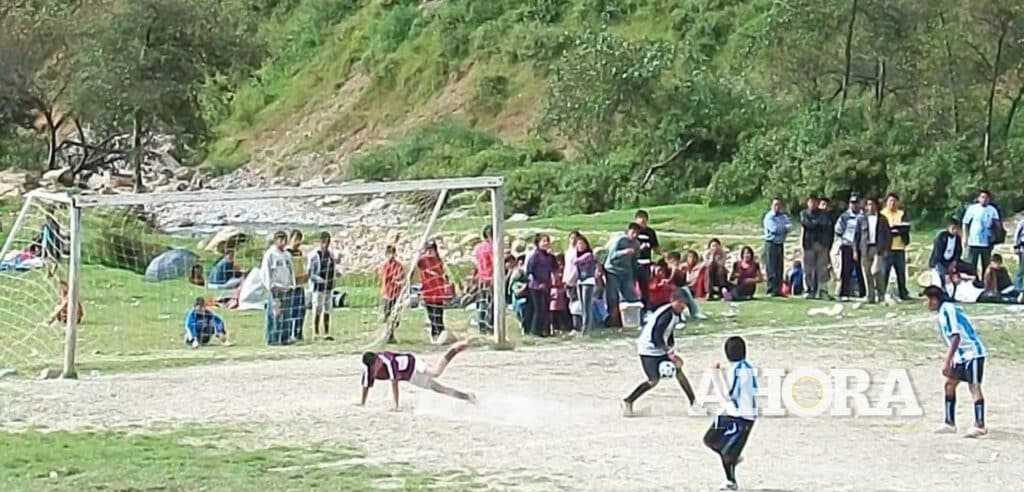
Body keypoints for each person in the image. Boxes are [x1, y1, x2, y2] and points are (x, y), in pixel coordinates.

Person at [923, 286, 988, 438]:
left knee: (974, 387)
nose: (925, 304)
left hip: (972, 353)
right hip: (960, 355)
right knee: (949, 384)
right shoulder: (942, 312)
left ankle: (980, 424)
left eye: (926, 300)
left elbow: (956, 336)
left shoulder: (948, 309)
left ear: (934, 299)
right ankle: (949, 422)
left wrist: (947, 360)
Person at [621, 289, 696, 417]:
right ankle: (628, 400)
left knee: (679, 370)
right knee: (653, 380)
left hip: (659, 348)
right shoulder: (666, 314)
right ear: (673, 301)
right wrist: (668, 352)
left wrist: (671, 349)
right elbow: (656, 336)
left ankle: (693, 403)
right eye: (680, 303)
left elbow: (668, 332)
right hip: (648, 349)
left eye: (684, 303)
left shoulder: (676, 314)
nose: (683, 306)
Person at [704, 336, 758, 491]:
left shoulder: (739, 370)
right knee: (710, 439)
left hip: (742, 418)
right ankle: (733, 456)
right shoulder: (742, 367)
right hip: (733, 414)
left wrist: (715, 375)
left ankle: (731, 481)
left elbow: (728, 395)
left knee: (726, 454)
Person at [358, 340, 477, 410]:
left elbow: (394, 382)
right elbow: (366, 386)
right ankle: (468, 397)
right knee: (440, 389)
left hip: (414, 363)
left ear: (377, 359)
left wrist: (395, 405)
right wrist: (363, 402)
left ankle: (454, 350)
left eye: (377, 363)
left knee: (435, 372)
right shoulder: (368, 368)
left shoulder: (388, 360)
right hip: (410, 376)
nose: (377, 367)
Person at [260, 231, 295, 346]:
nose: (283, 242)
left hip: (286, 288)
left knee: (285, 314)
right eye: (280, 239)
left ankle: (284, 337)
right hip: (275, 289)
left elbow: (291, 271)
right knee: (275, 314)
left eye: (284, 239)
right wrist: (270, 285)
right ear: (275, 240)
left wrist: (292, 284)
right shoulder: (270, 254)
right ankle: (273, 338)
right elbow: (265, 271)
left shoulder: (287, 255)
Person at [604, 224, 642, 325]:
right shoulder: (620, 241)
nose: (634, 235)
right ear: (628, 231)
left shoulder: (636, 244)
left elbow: (635, 261)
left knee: (631, 296)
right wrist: (624, 252)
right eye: (633, 232)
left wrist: (634, 276)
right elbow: (612, 256)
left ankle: (633, 319)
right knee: (613, 296)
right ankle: (612, 319)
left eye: (637, 233)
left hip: (626, 272)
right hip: (613, 270)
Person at [834, 194, 867, 301]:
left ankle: (863, 293)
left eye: (856, 203)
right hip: (847, 245)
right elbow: (838, 229)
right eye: (852, 203)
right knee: (845, 270)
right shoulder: (844, 216)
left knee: (860, 270)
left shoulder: (863, 216)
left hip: (860, 245)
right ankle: (844, 293)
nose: (854, 205)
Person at [417, 240, 452, 341]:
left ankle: (440, 334)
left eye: (432, 249)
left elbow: (442, 273)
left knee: (439, 315)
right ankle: (435, 335)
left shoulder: (438, 260)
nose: (430, 252)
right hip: (427, 292)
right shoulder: (423, 261)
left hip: (437, 293)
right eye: (428, 249)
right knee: (431, 316)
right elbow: (417, 263)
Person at [961, 189, 1002, 277]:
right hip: (974, 241)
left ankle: (985, 282)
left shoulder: (992, 210)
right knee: (972, 265)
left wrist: (997, 235)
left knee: (986, 265)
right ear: (979, 198)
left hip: (987, 242)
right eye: (982, 197)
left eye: (986, 197)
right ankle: (973, 281)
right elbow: (965, 223)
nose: (984, 199)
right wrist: (965, 237)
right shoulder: (972, 208)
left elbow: (997, 224)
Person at [800, 195, 832, 299]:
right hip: (808, 244)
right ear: (807, 203)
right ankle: (808, 290)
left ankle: (822, 290)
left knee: (822, 269)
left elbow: (825, 224)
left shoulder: (824, 214)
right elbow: (807, 224)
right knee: (808, 269)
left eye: (815, 202)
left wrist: (814, 224)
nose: (812, 204)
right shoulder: (804, 213)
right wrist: (816, 224)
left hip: (821, 244)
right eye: (811, 202)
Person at [308, 232, 337, 341]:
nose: (326, 245)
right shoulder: (314, 255)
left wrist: (333, 279)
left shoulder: (330, 256)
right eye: (324, 242)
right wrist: (319, 280)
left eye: (328, 242)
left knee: (327, 309)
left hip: (328, 287)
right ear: (320, 242)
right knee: (317, 309)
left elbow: (333, 269)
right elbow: (311, 273)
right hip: (318, 287)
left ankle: (326, 332)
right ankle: (315, 332)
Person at [881, 193, 911, 300]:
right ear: (886, 202)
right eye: (890, 201)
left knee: (901, 273)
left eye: (894, 201)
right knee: (885, 272)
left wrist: (896, 230)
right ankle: (882, 293)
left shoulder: (901, 214)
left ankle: (903, 293)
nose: (892, 203)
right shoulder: (882, 214)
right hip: (887, 248)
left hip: (900, 247)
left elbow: (906, 227)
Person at [525, 233, 556, 337]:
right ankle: (534, 332)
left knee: (546, 310)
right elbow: (529, 271)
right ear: (537, 243)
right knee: (538, 310)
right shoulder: (535, 256)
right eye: (543, 241)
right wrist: (538, 283)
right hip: (535, 286)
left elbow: (554, 269)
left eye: (547, 241)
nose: (546, 243)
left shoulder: (549, 256)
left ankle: (545, 331)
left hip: (546, 285)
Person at [862, 198, 891, 304]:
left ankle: (881, 294)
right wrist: (855, 250)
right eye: (868, 204)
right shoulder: (862, 219)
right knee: (867, 273)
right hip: (865, 248)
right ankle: (870, 296)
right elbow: (857, 235)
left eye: (872, 204)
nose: (870, 207)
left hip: (878, 248)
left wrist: (887, 249)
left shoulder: (882, 219)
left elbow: (888, 235)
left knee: (876, 271)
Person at [664, 251, 707, 321]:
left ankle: (694, 311)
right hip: (670, 289)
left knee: (685, 290)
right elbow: (669, 280)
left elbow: (681, 280)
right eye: (675, 261)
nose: (677, 263)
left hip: (678, 288)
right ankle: (693, 312)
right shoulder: (668, 268)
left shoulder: (678, 268)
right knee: (684, 291)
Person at [762, 198, 792, 297]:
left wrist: (783, 228)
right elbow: (774, 229)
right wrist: (784, 228)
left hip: (780, 243)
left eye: (779, 205)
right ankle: (771, 289)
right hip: (771, 243)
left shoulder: (783, 217)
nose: (777, 207)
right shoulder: (769, 217)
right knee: (771, 267)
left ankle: (778, 289)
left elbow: (790, 227)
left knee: (779, 267)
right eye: (775, 205)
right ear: (771, 206)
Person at [633, 210, 662, 310]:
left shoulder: (650, 232)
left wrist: (664, 255)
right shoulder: (632, 232)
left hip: (646, 263)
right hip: (634, 263)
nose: (643, 223)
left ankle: (646, 308)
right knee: (631, 286)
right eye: (641, 220)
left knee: (645, 286)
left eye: (645, 221)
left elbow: (656, 247)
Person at [285, 230, 308, 341]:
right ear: (290, 240)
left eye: (300, 239)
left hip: (300, 285)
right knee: (290, 310)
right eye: (296, 239)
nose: (298, 242)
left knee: (301, 310)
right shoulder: (286, 253)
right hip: (290, 286)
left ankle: (298, 332)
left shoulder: (299, 253)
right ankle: (289, 333)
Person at [380, 245, 405, 343]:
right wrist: (394, 279)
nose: (391, 256)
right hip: (387, 294)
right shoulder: (385, 266)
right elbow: (385, 277)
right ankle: (388, 334)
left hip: (396, 294)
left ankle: (391, 334)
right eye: (389, 253)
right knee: (387, 315)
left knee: (395, 316)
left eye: (393, 253)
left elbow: (401, 277)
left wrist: (399, 281)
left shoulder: (398, 265)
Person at [929, 220, 966, 288]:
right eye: (953, 228)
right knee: (941, 272)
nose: (955, 230)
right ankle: (943, 289)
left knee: (969, 268)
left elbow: (958, 251)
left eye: (956, 228)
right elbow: (937, 253)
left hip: (951, 261)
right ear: (948, 227)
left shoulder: (958, 238)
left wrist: (954, 262)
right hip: (939, 261)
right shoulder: (941, 236)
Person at [573, 234, 598, 333]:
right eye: (578, 244)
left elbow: (576, 261)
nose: (580, 246)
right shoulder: (577, 254)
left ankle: (586, 329)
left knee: (587, 307)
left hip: (588, 282)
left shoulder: (588, 255)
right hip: (580, 281)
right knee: (582, 307)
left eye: (582, 244)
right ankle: (585, 327)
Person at [1015, 218, 1024, 292]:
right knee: (1022, 269)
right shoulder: (1022, 222)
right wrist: (1016, 246)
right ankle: (1018, 288)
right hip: (1023, 248)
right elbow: (1017, 234)